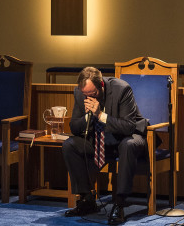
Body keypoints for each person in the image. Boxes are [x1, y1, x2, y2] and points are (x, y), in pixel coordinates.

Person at [62, 66, 149, 225]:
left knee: (128, 145)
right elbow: (74, 127)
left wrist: (100, 115)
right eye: (85, 95)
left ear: (101, 85)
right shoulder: (80, 92)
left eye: (92, 94)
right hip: (100, 140)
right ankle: (87, 200)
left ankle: (120, 204)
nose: (89, 98)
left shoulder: (121, 89)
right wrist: (88, 115)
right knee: (69, 145)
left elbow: (128, 126)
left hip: (128, 137)